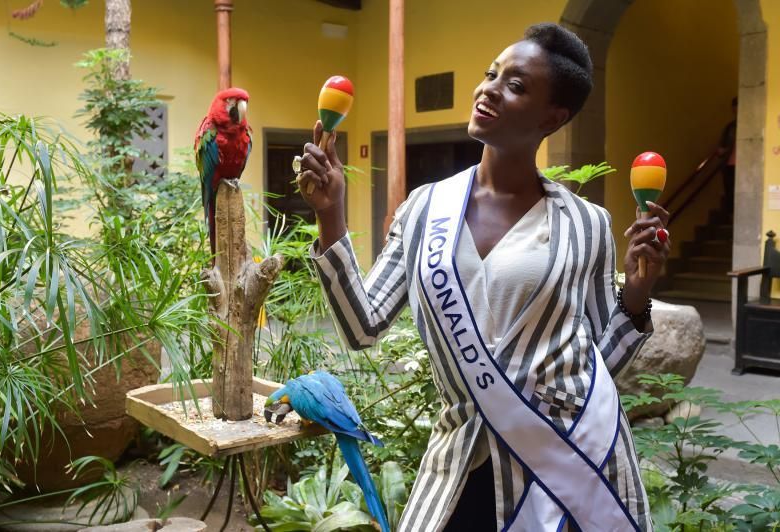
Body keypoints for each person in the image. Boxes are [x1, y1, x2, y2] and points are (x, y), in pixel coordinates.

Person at [295, 22, 669, 532]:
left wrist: (639, 292)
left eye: (515, 85)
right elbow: (363, 327)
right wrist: (331, 215)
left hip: (567, 463)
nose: (489, 88)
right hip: (463, 458)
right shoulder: (427, 209)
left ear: (552, 118)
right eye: (492, 74)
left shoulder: (587, 224)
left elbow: (602, 358)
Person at [717, 97, 737, 212]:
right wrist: (722, 151)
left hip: (743, 166)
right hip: (729, 164)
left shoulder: (750, 127)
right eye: (734, 110)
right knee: (730, 191)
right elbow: (722, 145)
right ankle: (731, 215)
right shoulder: (730, 127)